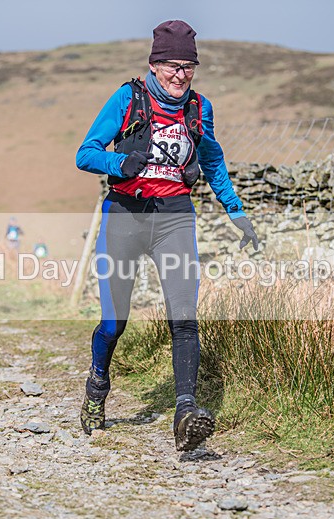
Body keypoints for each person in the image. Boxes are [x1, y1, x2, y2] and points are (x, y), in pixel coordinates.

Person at [75, 20, 259, 451]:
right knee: (114, 322)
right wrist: (121, 165)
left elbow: (212, 161)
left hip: (175, 216)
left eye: (189, 67)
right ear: (154, 65)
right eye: (173, 66)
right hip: (125, 214)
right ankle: (97, 384)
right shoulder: (128, 98)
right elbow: (86, 154)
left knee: (184, 316)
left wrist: (237, 211)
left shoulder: (199, 108)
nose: (181, 75)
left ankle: (185, 413)